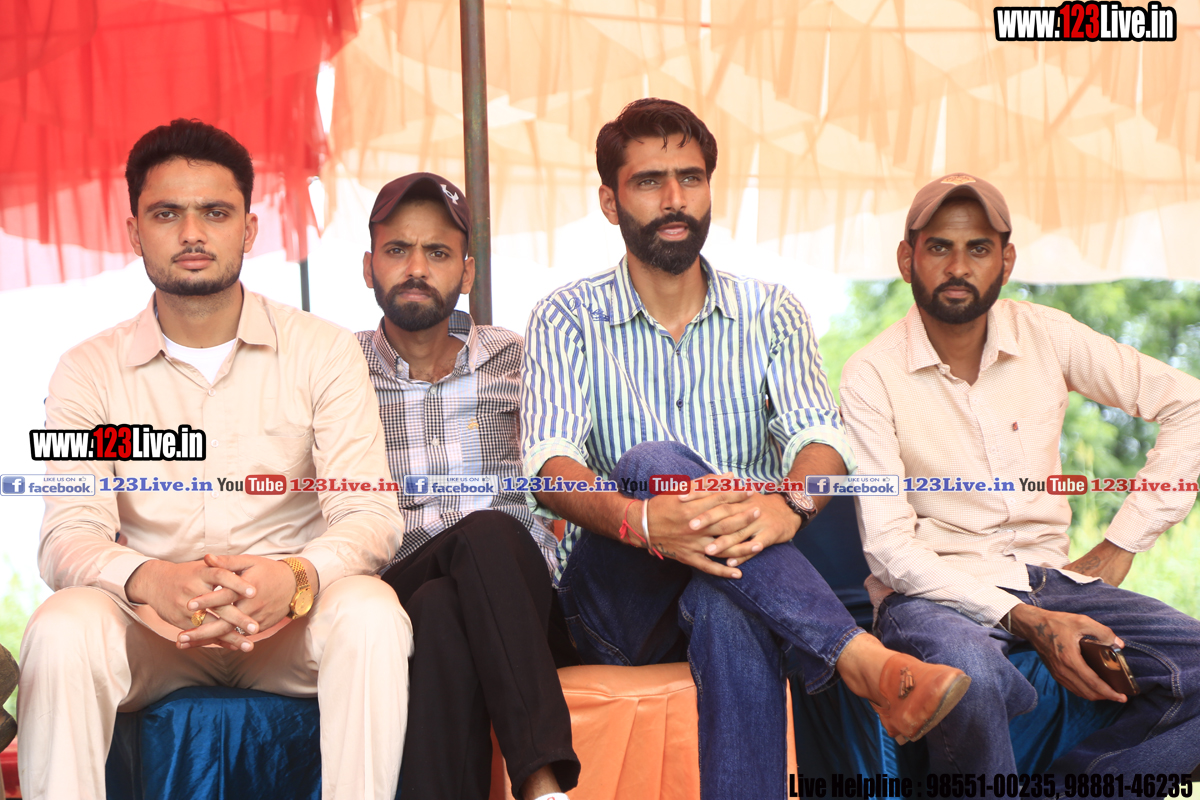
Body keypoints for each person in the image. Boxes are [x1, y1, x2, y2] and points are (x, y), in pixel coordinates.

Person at [518, 97, 971, 798]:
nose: (675, 199)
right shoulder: (566, 316)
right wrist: (645, 521)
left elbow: (820, 439)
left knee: (726, 599)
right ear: (610, 202)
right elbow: (551, 467)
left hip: (745, 584)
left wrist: (791, 506)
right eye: (649, 182)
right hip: (618, 605)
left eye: (691, 178)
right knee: (652, 464)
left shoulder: (772, 312)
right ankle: (859, 658)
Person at [17, 119, 411, 800]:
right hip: (152, 632)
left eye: (216, 213)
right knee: (60, 628)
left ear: (249, 230)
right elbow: (68, 533)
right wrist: (149, 579)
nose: (192, 233)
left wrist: (294, 576)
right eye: (167, 213)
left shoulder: (321, 352)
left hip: (289, 626)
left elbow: (368, 514)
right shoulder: (89, 372)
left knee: (371, 613)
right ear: (135, 231)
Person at [840, 172, 1200, 778]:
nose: (959, 266)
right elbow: (890, 547)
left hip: (1053, 579)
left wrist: (1121, 544)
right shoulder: (871, 373)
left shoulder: (1047, 334)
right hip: (933, 592)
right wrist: (1029, 621)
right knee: (973, 677)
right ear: (907, 259)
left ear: (1005, 262)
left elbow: (1188, 404)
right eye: (939, 247)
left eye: (978, 248)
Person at [358, 173, 579, 800]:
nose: (416, 268)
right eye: (397, 250)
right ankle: (542, 786)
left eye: (437, 252)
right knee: (465, 552)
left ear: (468, 270)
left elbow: (567, 457)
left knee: (448, 604)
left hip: (522, 597)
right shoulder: (339, 368)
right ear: (368, 267)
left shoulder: (518, 358)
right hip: (396, 583)